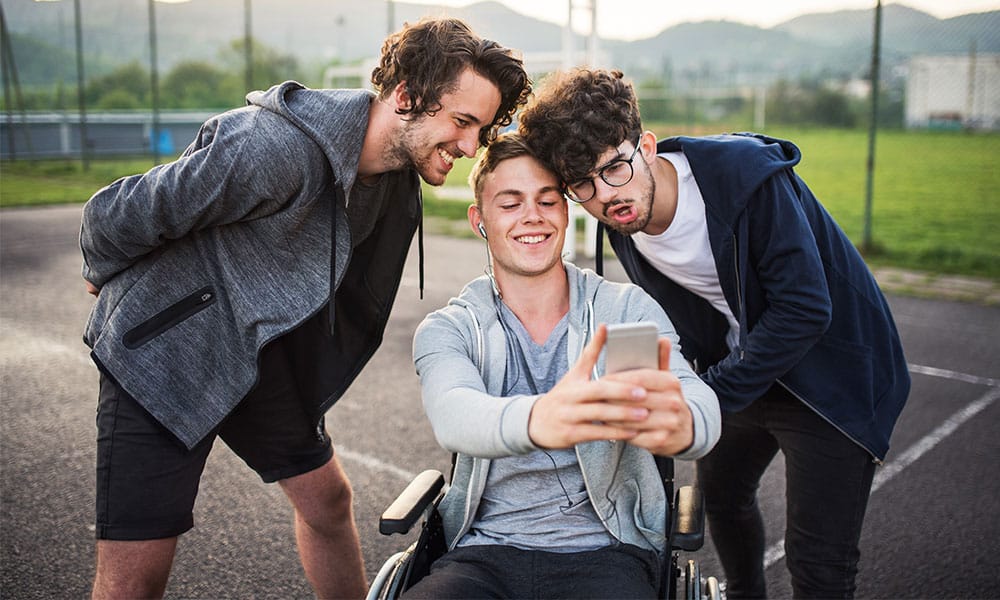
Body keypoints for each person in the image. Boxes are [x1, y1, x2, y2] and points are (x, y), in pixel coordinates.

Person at [79, 17, 530, 599]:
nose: (470, 147)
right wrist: (103, 273)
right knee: (135, 577)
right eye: (462, 122)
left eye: (481, 130)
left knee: (327, 501)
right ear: (408, 97)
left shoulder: (394, 172)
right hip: (164, 357)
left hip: (254, 354)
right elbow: (117, 212)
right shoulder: (275, 149)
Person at [518, 68, 911, 599]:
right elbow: (674, 320)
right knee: (722, 502)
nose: (607, 196)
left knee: (818, 562)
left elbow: (805, 307)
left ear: (646, 145)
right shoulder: (622, 220)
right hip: (746, 367)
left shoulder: (746, 179)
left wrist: (706, 393)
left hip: (830, 376)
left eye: (614, 168)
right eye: (582, 185)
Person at [404, 133, 720, 599]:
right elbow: (454, 414)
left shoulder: (622, 312)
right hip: (482, 555)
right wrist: (542, 419)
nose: (532, 216)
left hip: (607, 555)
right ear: (480, 220)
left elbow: (695, 401)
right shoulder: (452, 329)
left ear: (565, 212)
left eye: (547, 201)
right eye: (510, 204)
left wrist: (685, 426)